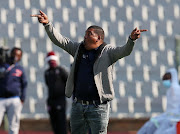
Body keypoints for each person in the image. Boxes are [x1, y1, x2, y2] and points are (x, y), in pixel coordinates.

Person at [31, 10, 147, 134]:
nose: (85, 37)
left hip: (98, 107)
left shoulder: (109, 52)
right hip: (78, 105)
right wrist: (47, 24)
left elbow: (125, 51)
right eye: (85, 34)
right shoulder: (78, 49)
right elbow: (60, 40)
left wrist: (131, 40)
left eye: (89, 34)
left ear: (98, 38)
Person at [137, 68, 180, 134]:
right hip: (168, 115)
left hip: (174, 118)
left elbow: (176, 109)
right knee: (150, 123)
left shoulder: (176, 89)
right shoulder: (169, 90)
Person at [0, 47, 27, 134]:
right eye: (14, 54)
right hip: (1, 98)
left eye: (17, 55)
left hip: (14, 99)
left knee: (13, 126)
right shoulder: (2, 65)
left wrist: (22, 98)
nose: (15, 57)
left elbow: (24, 84)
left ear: (20, 57)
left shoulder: (20, 69)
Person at [44, 51, 68, 134]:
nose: (52, 62)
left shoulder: (61, 70)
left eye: (53, 60)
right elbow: (48, 85)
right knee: (54, 121)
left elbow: (68, 81)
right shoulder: (47, 72)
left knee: (61, 121)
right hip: (51, 100)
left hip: (60, 99)